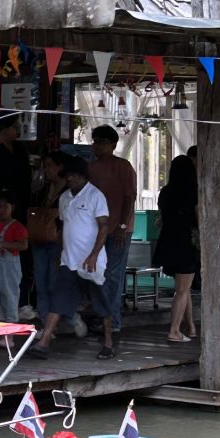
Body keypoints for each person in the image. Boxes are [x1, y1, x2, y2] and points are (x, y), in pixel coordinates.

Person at [32, 156, 114, 360]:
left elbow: (104, 227)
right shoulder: (64, 198)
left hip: (91, 261)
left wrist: (94, 254)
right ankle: (44, 342)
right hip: (68, 261)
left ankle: (108, 342)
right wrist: (59, 253)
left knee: (101, 303)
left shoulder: (96, 196)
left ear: (82, 176)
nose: (69, 180)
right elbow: (63, 228)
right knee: (58, 301)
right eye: (67, 177)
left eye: (73, 176)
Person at [86, 125, 137, 337]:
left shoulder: (123, 167)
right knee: (95, 273)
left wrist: (123, 226)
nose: (96, 145)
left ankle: (112, 320)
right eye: (95, 141)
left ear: (113, 145)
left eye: (101, 141)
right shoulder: (90, 168)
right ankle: (102, 317)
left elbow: (129, 198)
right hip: (96, 229)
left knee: (113, 275)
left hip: (119, 229)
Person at [155, 155, 199, 343]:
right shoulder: (193, 191)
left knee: (183, 287)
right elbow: (198, 218)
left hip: (168, 241)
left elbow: (162, 217)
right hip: (186, 241)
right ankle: (174, 331)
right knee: (182, 289)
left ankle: (190, 327)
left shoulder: (165, 192)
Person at [27, 151, 73, 332]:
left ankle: (64, 317)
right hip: (40, 237)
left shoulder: (69, 190)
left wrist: (57, 213)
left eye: (49, 166)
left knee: (54, 282)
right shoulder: (43, 188)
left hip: (58, 239)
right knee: (41, 283)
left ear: (60, 166)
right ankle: (47, 326)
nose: (46, 170)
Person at [0, 192, 28, 324]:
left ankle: (9, 337)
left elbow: (23, 245)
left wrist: (3, 244)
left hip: (8, 269)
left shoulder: (17, 226)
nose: (1, 210)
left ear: (12, 207)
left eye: (4, 206)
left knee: (10, 299)